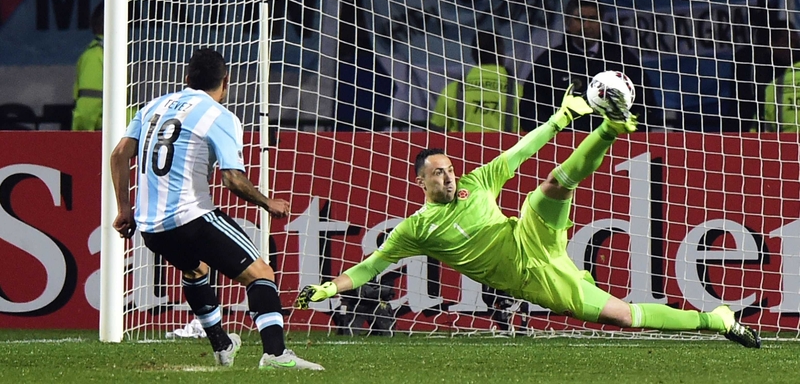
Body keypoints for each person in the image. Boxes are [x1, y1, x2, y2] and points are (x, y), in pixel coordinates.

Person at [295, 85, 761, 348]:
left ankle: (610, 127)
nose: (448, 177)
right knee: (627, 317)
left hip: (530, 236)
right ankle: (715, 320)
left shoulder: (478, 182)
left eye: (450, 170)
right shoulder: (416, 229)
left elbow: (519, 150)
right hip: (532, 278)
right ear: (421, 182)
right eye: (438, 174)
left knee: (553, 186)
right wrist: (328, 287)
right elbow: (372, 266)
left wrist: (560, 120)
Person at [110, 48, 324, 370]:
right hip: (191, 217)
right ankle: (276, 355)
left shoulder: (152, 107)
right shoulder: (219, 116)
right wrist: (268, 203)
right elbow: (233, 180)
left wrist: (125, 209)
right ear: (227, 81)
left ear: (186, 79)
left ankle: (223, 346)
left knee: (195, 270)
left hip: (150, 226)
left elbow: (119, 155)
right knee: (260, 274)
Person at [520, 0, 659, 132]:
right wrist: (554, 135)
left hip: (615, 146)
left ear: (601, 22)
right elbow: (530, 108)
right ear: (568, 22)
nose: (586, 25)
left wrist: (626, 135)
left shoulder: (622, 60)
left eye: (592, 19)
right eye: (579, 19)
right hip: (563, 148)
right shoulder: (550, 61)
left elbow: (645, 105)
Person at [430, 31, 520, 132]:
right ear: (502, 53)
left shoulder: (451, 91)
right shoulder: (520, 93)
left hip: (462, 147)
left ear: (473, 55)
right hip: (509, 147)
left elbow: (436, 133)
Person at [72, 2, 104, 131]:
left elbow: (88, 107)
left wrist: (80, 137)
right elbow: (89, 105)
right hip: (112, 137)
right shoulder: (100, 56)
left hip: (105, 137)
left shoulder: (95, 56)